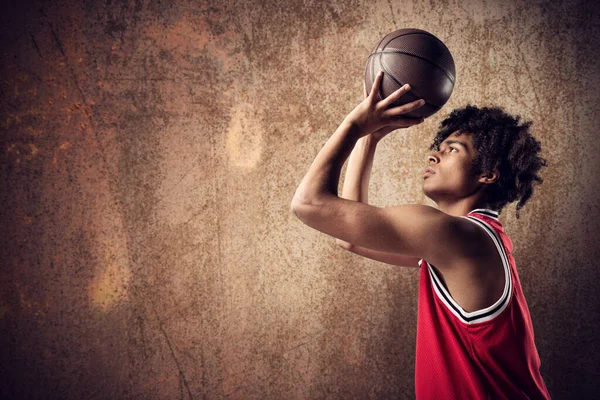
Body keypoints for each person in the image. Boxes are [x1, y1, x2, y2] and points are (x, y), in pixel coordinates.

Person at [290, 71, 551, 399]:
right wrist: (370, 137)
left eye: (452, 150)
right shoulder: (466, 242)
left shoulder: (456, 236)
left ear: (488, 174)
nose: (433, 155)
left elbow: (309, 204)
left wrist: (355, 124)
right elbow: (351, 238)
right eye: (438, 148)